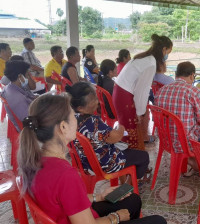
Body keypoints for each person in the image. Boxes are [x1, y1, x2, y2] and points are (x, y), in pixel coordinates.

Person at [17, 93, 167, 224]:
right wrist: (115, 217)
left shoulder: (34, 159)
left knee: (133, 200)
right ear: (63, 127)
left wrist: (99, 196)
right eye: (72, 115)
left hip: (66, 216)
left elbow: (66, 200)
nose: (76, 119)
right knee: (158, 221)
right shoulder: (65, 175)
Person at [67, 82, 151, 184]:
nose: (97, 102)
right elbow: (116, 137)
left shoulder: (73, 119)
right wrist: (120, 127)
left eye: (96, 98)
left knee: (124, 149)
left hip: (87, 162)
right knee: (143, 156)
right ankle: (129, 187)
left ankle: (125, 181)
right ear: (80, 107)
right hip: (105, 164)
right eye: (93, 100)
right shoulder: (93, 123)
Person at [113, 34, 173, 150]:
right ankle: (132, 162)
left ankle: (135, 160)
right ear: (163, 49)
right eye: (167, 53)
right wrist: (140, 112)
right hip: (125, 95)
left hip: (120, 92)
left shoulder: (144, 57)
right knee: (131, 131)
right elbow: (142, 91)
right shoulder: (150, 63)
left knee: (130, 130)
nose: (166, 56)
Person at [155, 61, 200, 176]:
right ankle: (199, 164)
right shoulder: (194, 92)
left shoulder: (161, 91)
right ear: (192, 75)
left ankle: (189, 161)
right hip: (185, 143)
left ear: (176, 75)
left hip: (166, 140)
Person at [1, 60, 37, 130]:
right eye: (27, 73)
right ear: (20, 76)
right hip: (31, 129)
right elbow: (30, 121)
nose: (29, 75)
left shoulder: (11, 86)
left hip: (32, 113)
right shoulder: (18, 99)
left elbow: (27, 95)